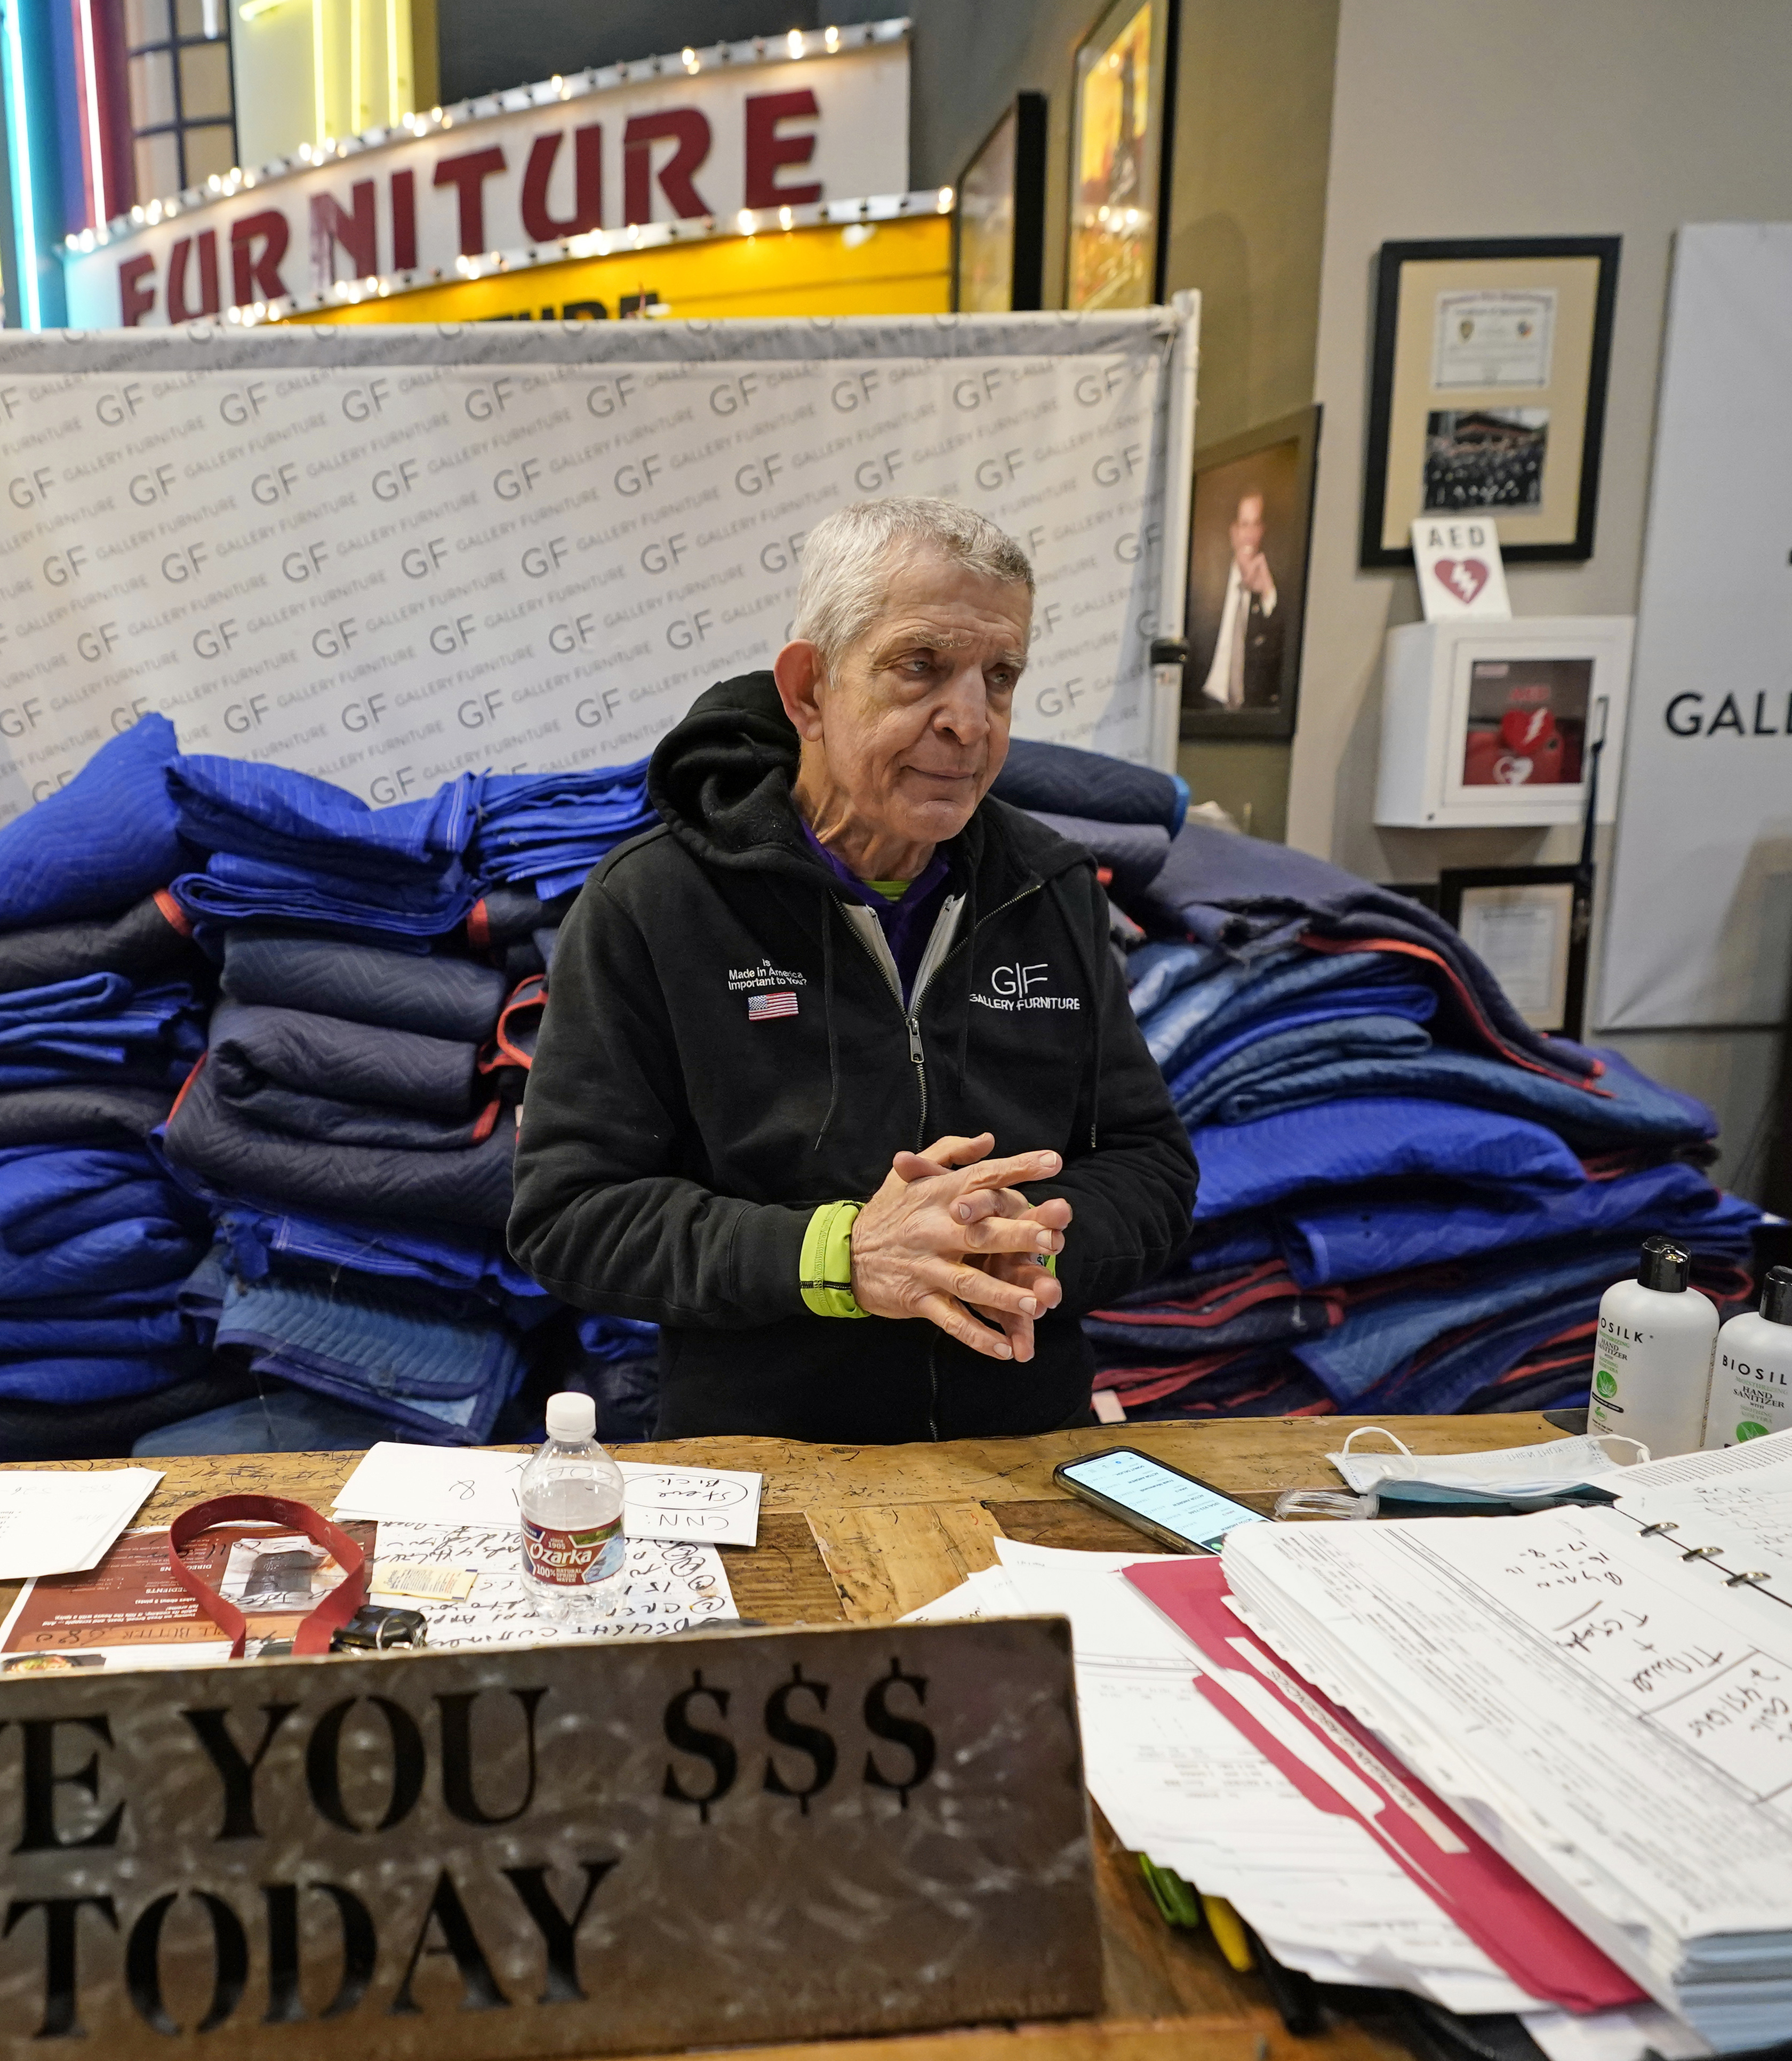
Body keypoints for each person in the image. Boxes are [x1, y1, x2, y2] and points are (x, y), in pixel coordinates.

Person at [508, 498, 1197, 1442]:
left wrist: (1030, 1237)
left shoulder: (1050, 889)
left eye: (998, 678)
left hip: (1028, 1451)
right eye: (920, 667)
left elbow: (1151, 1163)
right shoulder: (655, 905)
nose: (968, 721)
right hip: (764, 1466)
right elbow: (569, 1214)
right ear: (807, 692)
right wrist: (840, 1256)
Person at [1196, 490, 1286, 711]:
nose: (1249, 535)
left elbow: (1277, 665)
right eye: (1244, 525)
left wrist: (1268, 594)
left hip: (1248, 713)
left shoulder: (1276, 583)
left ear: (1262, 531)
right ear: (1233, 531)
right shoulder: (1209, 580)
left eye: (1255, 525)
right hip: (1204, 702)